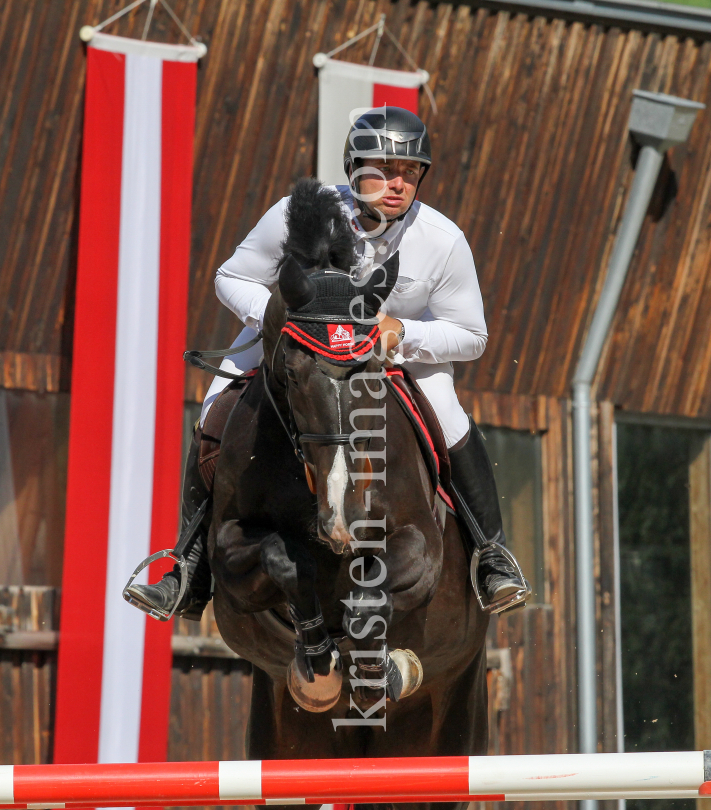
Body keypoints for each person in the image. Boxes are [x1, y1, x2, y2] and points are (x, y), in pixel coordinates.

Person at [127, 107, 529, 621]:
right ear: (354, 167)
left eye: (410, 172)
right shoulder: (301, 211)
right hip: (297, 341)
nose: (398, 183)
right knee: (215, 412)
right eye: (383, 168)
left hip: (388, 354)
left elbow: (473, 336)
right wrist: (282, 319)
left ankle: (492, 557)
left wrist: (406, 331)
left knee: (448, 415)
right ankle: (187, 569)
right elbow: (231, 278)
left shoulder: (443, 240)